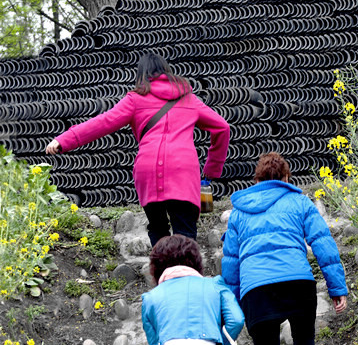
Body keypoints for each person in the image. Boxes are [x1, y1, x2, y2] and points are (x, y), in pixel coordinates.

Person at [221, 152, 348, 345]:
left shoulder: (240, 212)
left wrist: (231, 302)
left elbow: (230, 262)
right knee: (304, 337)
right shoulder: (299, 201)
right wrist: (336, 287)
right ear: (286, 178)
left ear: (256, 180)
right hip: (297, 283)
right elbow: (322, 243)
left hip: (257, 291)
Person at [46, 52, 230, 245]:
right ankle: (186, 271)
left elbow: (104, 122)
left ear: (141, 74)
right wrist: (211, 170)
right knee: (185, 231)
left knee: (158, 229)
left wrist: (64, 139)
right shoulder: (189, 99)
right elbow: (222, 127)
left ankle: (162, 271)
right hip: (183, 171)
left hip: (149, 171)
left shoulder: (135, 99)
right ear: (167, 71)